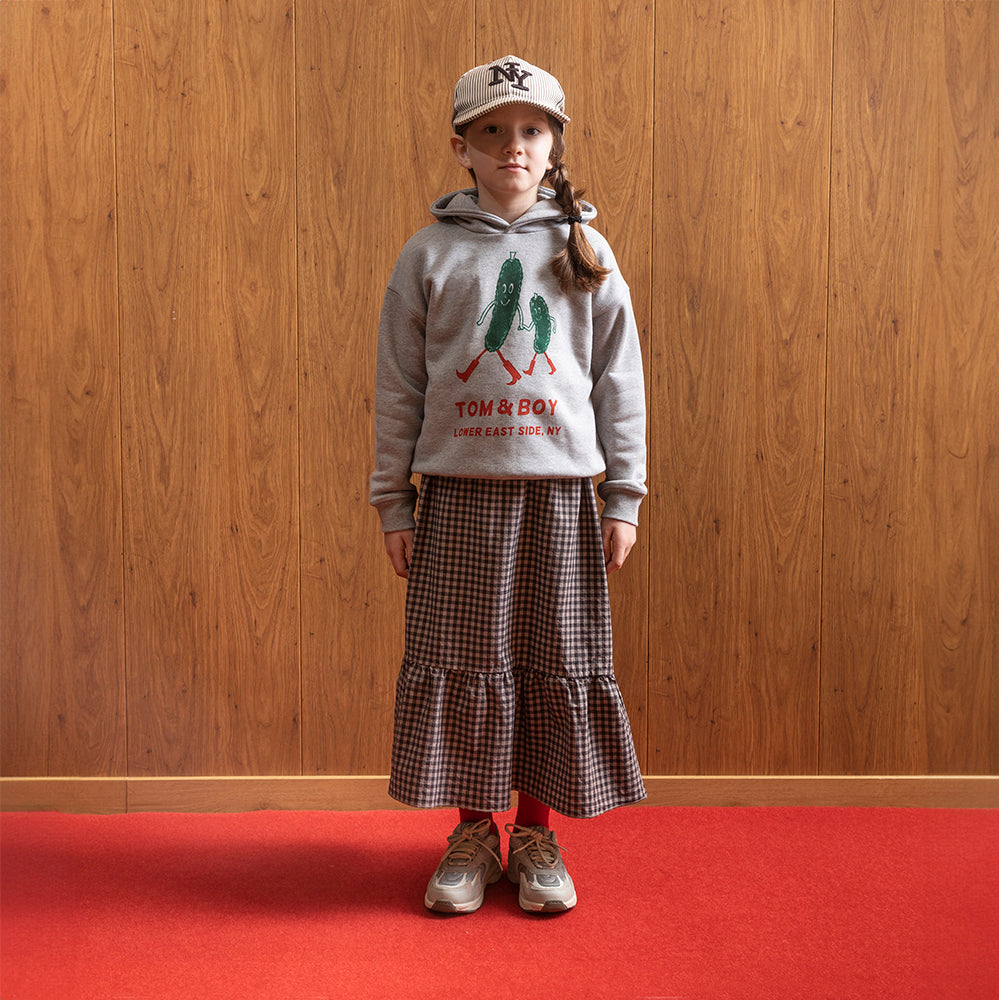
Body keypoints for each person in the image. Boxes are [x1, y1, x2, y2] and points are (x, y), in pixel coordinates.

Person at [370, 55, 647, 914]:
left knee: (549, 660)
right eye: (493, 132)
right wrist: (393, 499)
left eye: (530, 131)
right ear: (463, 147)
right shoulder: (428, 255)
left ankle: (536, 834)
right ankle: (472, 834)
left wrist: (623, 495)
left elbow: (617, 380)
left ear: (553, 141)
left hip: (559, 498)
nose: (513, 147)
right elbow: (400, 385)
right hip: (457, 496)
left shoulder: (585, 250)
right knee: (467, 661)